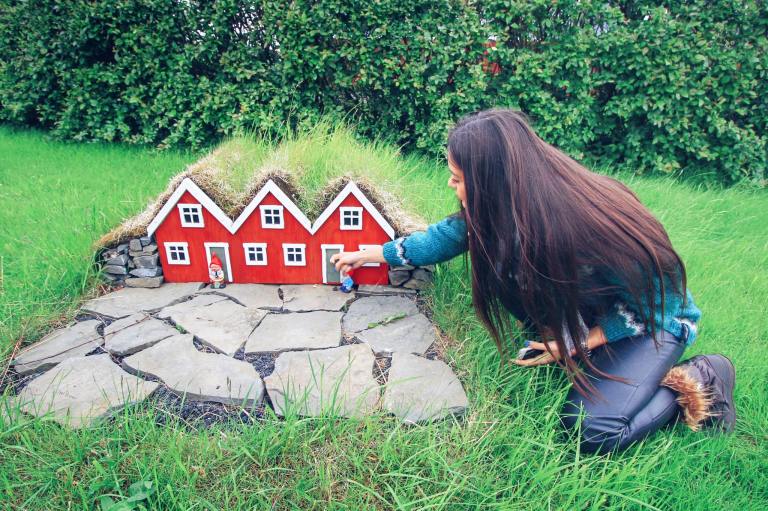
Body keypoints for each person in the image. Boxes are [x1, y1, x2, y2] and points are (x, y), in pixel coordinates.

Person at [330, 108, 736, 454]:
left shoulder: (587, 224)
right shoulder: (504, 209)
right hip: (594, 311)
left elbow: (660, 303)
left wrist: (579, 342)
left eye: (457, 177)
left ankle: (704, 374)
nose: (450, 185)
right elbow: (444, 238)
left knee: (591, 431)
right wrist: (368, 254)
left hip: (653, 321)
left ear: (493, 180)